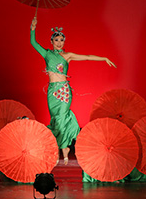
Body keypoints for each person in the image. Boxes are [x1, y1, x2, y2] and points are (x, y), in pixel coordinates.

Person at [30, 17, 116, 165]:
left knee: (62, 116)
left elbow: (87, 57)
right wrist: (33, 28)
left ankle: (62, 149)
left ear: (64, 42)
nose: (59, 42)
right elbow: (33, 43)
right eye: (56, 40)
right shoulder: (47, 54)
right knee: (56, 120)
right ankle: (62, 147)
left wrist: (103, 58)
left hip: (63, 91)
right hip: (52, 92)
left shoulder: (67, 56)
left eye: (61, 40)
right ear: (52, 41)